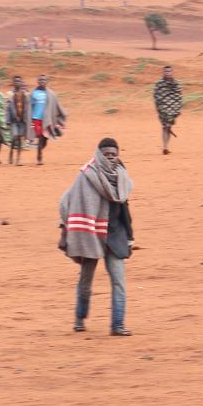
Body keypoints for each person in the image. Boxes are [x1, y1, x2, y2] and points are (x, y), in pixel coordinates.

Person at [58, 138, 134, 336]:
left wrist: (130, 236)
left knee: (119, 281)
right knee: (86, 281)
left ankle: (117, 324)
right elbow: (67, 201)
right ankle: (79, 318)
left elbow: (124, 208)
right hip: (90, 233)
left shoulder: (122, 177)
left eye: (114, 154)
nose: (111, 158)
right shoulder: (87, 175)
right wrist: (65, 228)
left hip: (115, 236)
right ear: (100, 155)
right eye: (107, 154)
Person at [30, 74, 67, 165]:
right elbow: (29, 106)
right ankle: (39, 157)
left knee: (45, 140)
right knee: (41, 138)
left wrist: (63, 115)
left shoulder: (52, 94)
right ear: (38, 81)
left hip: (47, 120)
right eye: (40, 80)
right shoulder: (33, 93)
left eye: (44, 80)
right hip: (37, 119)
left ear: (47, 82)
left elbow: (57, 106)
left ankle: (38, 150)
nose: (42, 82)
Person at [152, 65, 184, 155]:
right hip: (163, 110)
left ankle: (165, 146)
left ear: (172, 72)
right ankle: (165, 147)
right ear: (163, 73)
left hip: (173, 110)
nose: (167, 73)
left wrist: (178, 108)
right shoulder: (159, 84)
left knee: (167, 127)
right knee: (166, 127)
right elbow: (156, 96)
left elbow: (179, 96)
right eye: (166, 71)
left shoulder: (177, 83)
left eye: (169, 71)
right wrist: (159, 107)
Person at [5, 75, 32, 165]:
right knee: (15, 136)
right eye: (15, 81)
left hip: (22, 120)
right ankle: (11, 153)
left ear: (21, 83)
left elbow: (27, 108)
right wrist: (7, 120)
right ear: (13, 83)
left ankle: (18, 159)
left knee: (20, 138)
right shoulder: (9, 94)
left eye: (19, 81)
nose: (17, 83)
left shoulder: (25, 94)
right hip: (13, 120)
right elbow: (7, 108)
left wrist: (27, 120)